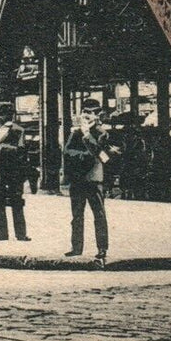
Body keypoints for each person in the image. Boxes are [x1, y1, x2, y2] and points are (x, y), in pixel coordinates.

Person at [63, 98, 118, 266]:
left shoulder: (101, 133)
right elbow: (67, 151)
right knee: (76, 215)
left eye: (91, 112)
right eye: (85, 112)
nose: (87, 115)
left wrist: (87, 136)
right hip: (78, 179)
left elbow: (102, 155)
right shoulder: (75, 133)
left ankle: (102, 248)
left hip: (94, 179)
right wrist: (84, 155)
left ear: (97, 115)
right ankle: (76, 247)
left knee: (99, 215)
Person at [0, 102, 30, 241]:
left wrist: (5, 147)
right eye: (0, 113)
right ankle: (2, 234)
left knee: (17, 202)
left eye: (4, 113)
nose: (1, 116)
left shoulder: (19, 130)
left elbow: (22, 150)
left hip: (14, 173)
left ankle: (21, 234)